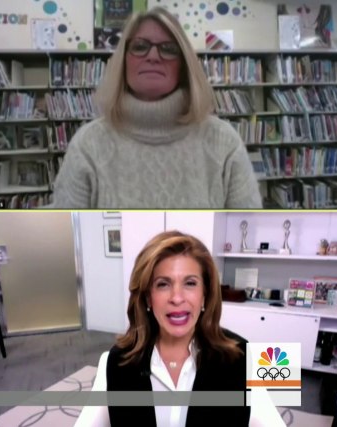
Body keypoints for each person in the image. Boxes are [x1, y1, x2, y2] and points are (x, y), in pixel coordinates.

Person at [52, 7, 261, 208]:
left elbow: (245, 230)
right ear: (123, 60)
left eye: (168, 49)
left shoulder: (223, 142)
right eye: (140, 46)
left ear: (184, 66)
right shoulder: (88, 145)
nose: (153, 56)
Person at [74, 231, 283, 427]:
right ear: (148, 297)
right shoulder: (116, 361)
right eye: (163, 284)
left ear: (205, 294)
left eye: (190, 283)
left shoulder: (242, 356)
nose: (177, 298)